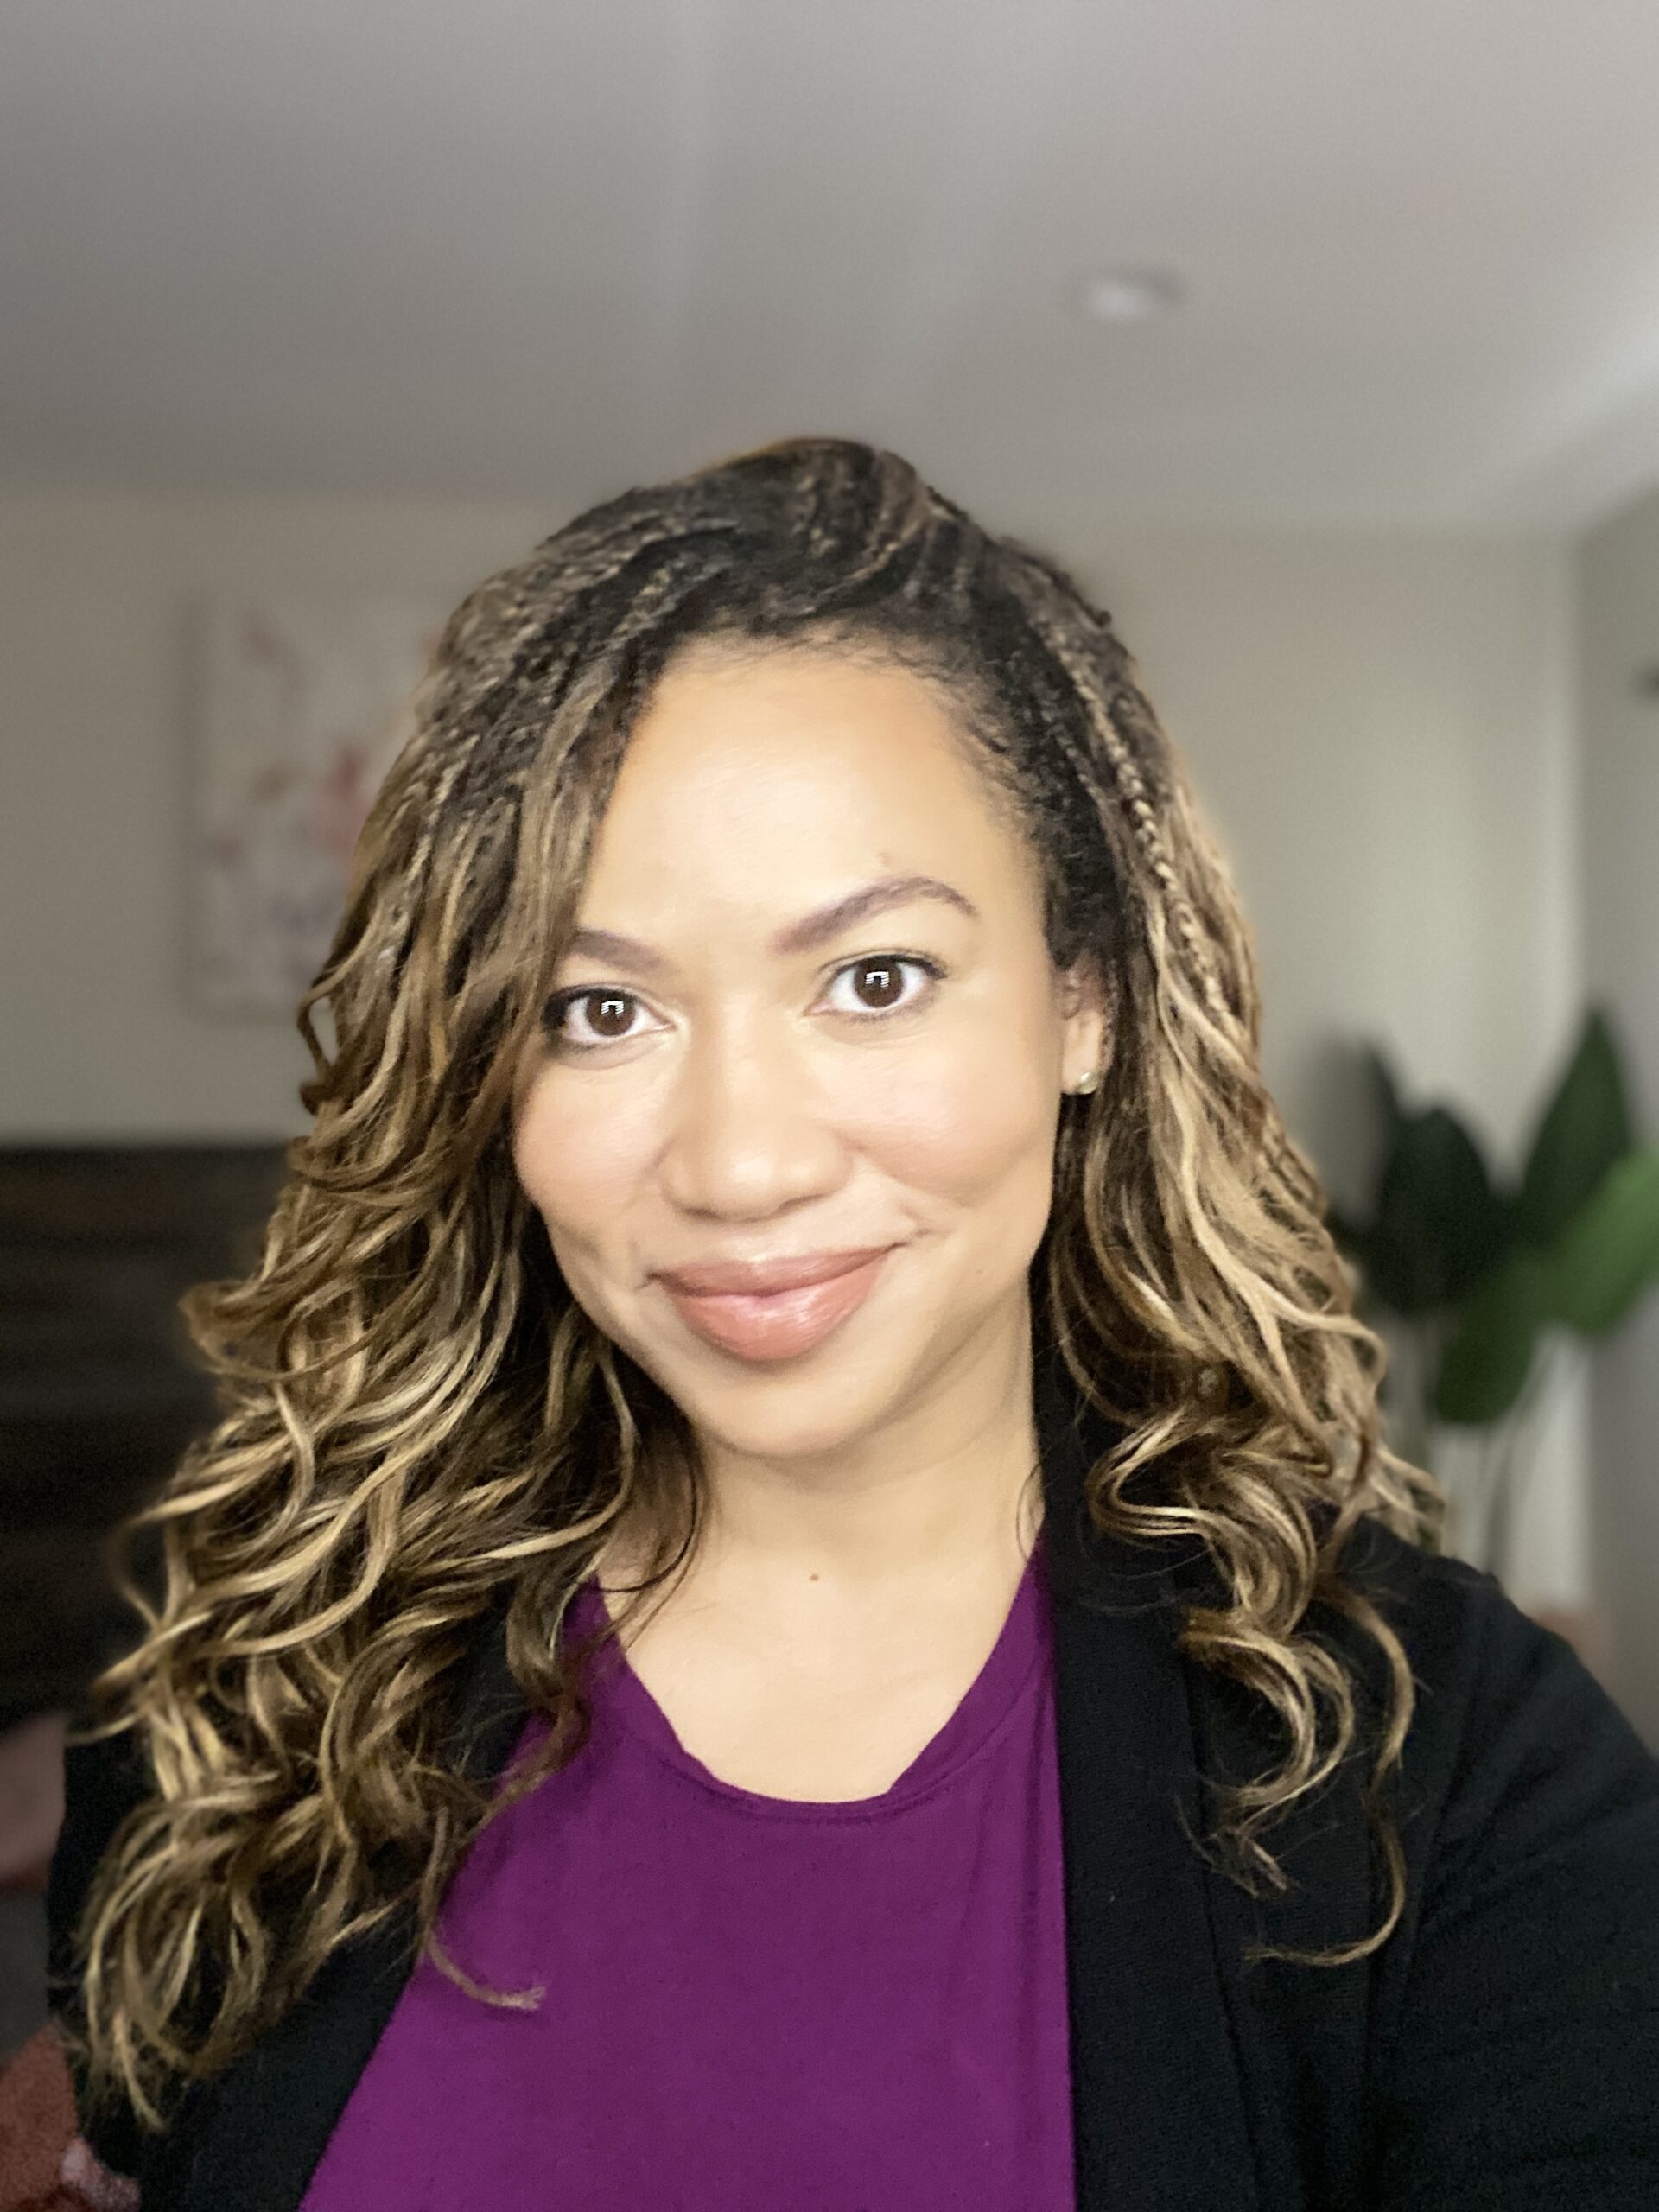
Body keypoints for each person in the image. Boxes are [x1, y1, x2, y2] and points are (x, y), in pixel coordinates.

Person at [27, 438, 1659, 2209]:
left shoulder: (1460, 1774)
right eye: (598, 1008)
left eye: (875, 980)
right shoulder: (261, 1693)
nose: (742, 1164)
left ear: (1086, 1001)